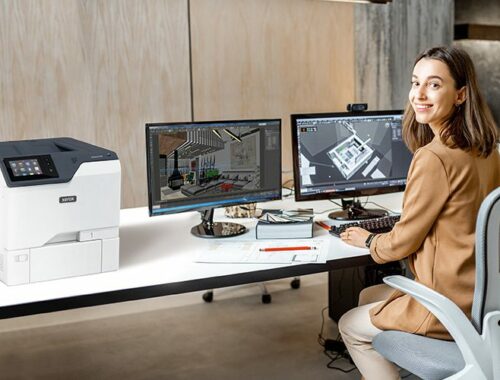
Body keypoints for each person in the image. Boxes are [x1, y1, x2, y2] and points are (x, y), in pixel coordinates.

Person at [337, 46, 500, 380]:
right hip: (482, 300)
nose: (419, 94)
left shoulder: (434, 157)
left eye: (434, 85)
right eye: (416, 83)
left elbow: (401, 245)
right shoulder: (490, 151)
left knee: (349, 325)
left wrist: (369, 239)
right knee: (369, 295)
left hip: (447, 304)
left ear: (460, 94)